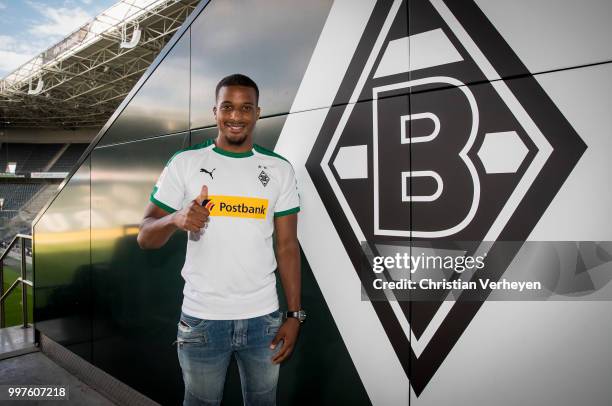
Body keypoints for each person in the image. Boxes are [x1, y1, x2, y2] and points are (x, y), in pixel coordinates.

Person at [137, 73, 306, 406]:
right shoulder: (185, 163)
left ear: (258, 113)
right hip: (201, 321)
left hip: (264, 321)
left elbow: (287, 248)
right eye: (227, 107)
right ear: (215, 111)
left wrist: (295, 316)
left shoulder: (279, 169)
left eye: (246, 108)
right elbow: (145, 236)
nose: (236, 116)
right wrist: (175, 218)